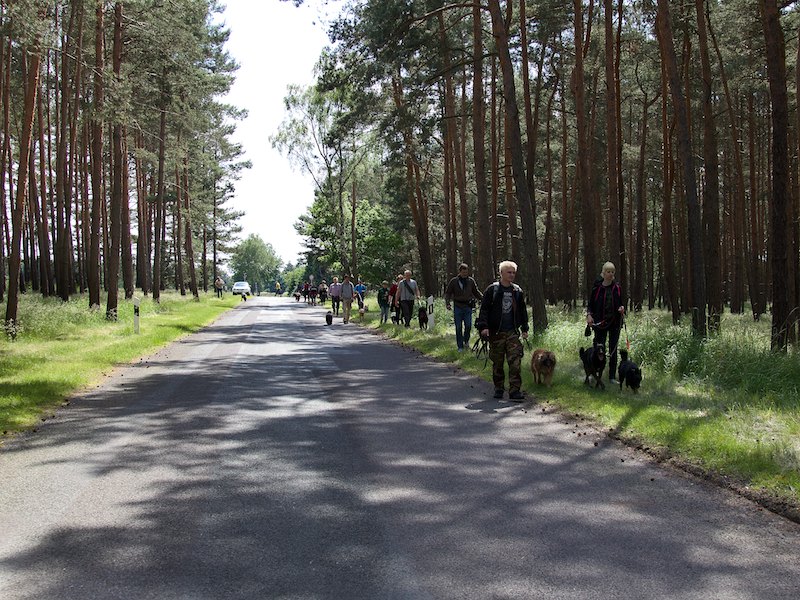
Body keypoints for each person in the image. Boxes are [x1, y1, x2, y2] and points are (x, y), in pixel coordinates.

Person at [476, 261, 530, 401]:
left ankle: (514, 391)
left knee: (515, 362)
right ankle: (499, 388)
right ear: (501, 273)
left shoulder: (517, 291)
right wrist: (484, 327)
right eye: (509, 272)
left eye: (513, 273)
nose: (511, 275)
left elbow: (523, 312)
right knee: (498, 363)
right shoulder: (492, 290)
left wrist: (525, 328)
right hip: (496, 333)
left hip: (512, 332)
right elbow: (484, 310)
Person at [586, 261, 625, 383]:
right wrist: (589, 316)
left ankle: (612, 377)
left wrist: (621, 308)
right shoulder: (597, 288)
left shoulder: (617, 288)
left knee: (613, 349)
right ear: (603, 273)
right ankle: (593, 373)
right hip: (600, 324)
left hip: (614, 323)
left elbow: (621, 303)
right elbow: (590, 305)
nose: (610, 274)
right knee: (598, 349)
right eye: (608, 271)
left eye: (612, 272)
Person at [445, 263, 484, 352]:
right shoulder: (454, 281)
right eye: (463, 272)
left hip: (467, 307)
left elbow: (476, 292)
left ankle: (466, 341)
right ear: (460, 272)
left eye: (466, 272)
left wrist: (484, 299)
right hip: (458, 307)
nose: (465, 274)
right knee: (458, 327)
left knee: (468, 325)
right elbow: (448, 293)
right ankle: (460, 346)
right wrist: (447, 303)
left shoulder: (470, 281)